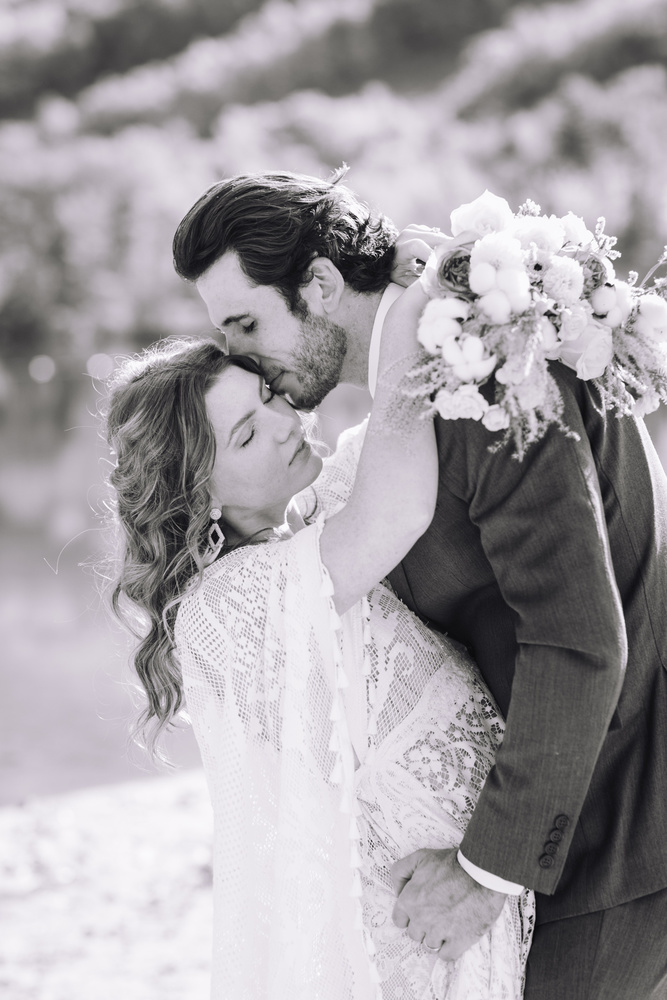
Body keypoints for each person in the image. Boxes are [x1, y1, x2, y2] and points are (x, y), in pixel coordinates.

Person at [171, 167, 667, 1000]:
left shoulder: (475, 371)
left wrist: (488, 870)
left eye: (246, 324)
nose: (240, 355)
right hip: (584, 828)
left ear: (321, 285)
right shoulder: (426, 384)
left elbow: (576, 634)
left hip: (620, 832)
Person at [103, 278, 534, 1000]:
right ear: (201, 494)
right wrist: (406, 306)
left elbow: (398, 419)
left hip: (480, 896)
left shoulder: (316, 520)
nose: (283, 422)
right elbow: (396, 507)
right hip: (407, 941)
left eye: (267, 397)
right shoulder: (227, 610)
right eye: (244, 434)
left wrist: (416, 289)